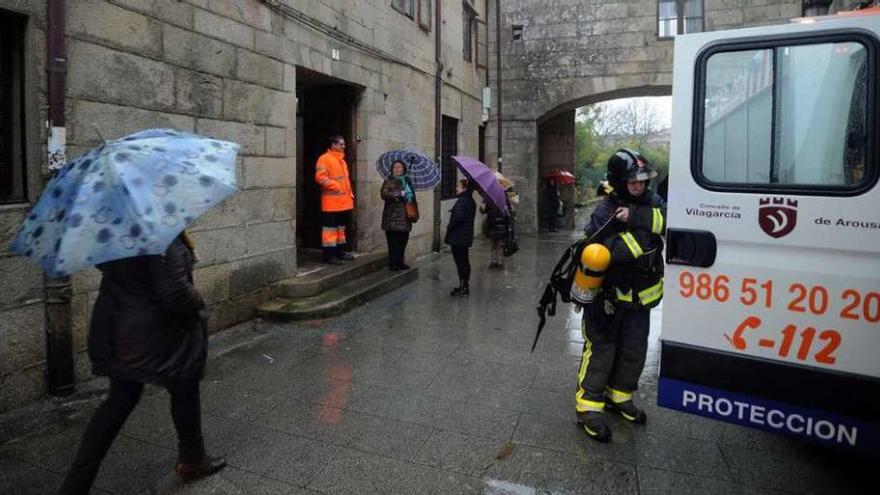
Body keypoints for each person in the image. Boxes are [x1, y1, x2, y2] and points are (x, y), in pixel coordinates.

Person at [61, 233, 225, 493]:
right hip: (153, 333)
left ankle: (75, 485)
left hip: (119, 328)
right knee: (180, 383)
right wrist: (200, 305)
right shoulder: (161, 233)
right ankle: (192, 459)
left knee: (130, 397)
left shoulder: (115, 230)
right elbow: (175, 293)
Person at [575, 149, 665, 443]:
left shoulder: (652, 204)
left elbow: (669, 221)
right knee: (602, 351)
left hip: (641, 298)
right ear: (619, 181)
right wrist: (643, 236)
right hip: (608, 299)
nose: (639, 186)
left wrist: (637, 217)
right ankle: (589, 408)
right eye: (633, 181)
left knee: (634, 350)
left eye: (642, 181)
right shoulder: (605, 209)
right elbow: (601, 249)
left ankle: (620, 396)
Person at [315, 135, 355, 265]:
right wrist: (335, 186)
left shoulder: (342, 161)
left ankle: (340, 252)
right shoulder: (324, 159)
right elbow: (320, 177)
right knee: (329, 231)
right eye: (341, 144)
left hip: (344, 203)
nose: (344, 146)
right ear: (333, 145)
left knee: (341, 230)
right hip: (331, 204)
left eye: (343, 144)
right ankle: (329, 255)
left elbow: (346, 182)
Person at [381, 160, 416, 271]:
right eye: (395, 167)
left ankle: (400, 262)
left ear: (403, 169)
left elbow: (413, 197)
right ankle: (393, 264)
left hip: (406, 216)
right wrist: (399, 193)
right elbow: (384, 194)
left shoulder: (407, 181)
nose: (397, 169)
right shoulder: (388, 181)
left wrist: (410, 197)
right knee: (393, 243)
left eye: (399, 167)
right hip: (393, 218)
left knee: (402, 242)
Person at [444, 179, 476, 297]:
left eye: (459, 186)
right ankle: (464, 285)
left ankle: (464, 287)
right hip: (465, 236)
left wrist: (449, 228)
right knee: (464, 260)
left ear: (464, 188)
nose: (457, 188)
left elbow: (459, 218)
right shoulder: (470, 200)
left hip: (458, 236)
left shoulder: (462, 200)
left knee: (460, 262)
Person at [482, 199, 509, 270]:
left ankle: (497, 262)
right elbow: (484, 211)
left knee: (497, 246)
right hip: (495, 227)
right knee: (495, 245)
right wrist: (482, 207)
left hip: (498, 227)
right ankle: (496, 262)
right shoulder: (490, 201)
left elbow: (507, 214)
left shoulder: (502, 201)